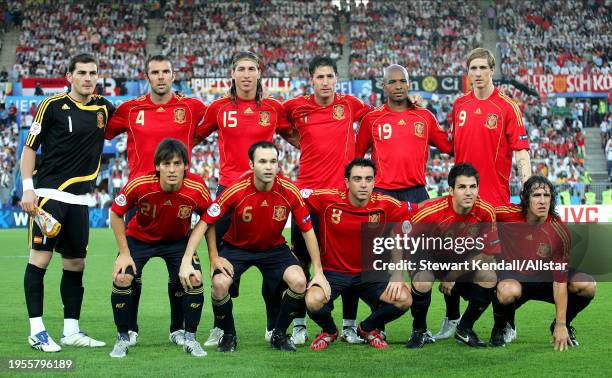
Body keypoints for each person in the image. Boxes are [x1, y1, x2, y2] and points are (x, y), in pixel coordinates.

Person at [195, 51, 297, 346]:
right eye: (241, 69)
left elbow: (297, 137)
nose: (247, 74)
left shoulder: (273, 109)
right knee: (224, 269)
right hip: (229, 191)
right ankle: (220, 327)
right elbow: (193, 137)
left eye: (252, 68)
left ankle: (272, 324)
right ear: (233, 74)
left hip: (267, 191)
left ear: (259, 74)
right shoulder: (218, 108)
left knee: (271, 261)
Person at [105, 54, 207, 346]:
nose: (161, 76)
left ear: (174, 75)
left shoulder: (191, 106)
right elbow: (104, 131)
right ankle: (129, 330)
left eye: (166, 71)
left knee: (181, 274)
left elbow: (215, 125)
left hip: (178, 196)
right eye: (155, 72)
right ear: (146, 76)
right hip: (139, 197)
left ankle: (178, 329)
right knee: (129, 273)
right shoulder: (130, 108)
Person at [20, 53, 115, 352]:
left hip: (80, 200)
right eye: (82, 73)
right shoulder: (52, 106)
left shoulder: (104, 107)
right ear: (69, 76)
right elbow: (29, 149)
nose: (88, 78)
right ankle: (36, 331)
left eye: (93, 73)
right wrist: (28, 188)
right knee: (40, 259)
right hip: (49, 194)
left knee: (76, 264)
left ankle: (71, 330)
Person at [197, 141, 329, 352]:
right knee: (220, 284)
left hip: (274, 248)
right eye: (263, 161)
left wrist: (319, 271)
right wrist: (210, 257)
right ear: (252, 164)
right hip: (237, 248)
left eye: (273, 161)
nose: (269, 166)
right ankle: (229, 335)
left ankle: (278, 334)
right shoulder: (236, 189)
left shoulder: (289, 190)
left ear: (279, 164)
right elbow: (206, 221)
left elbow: (308, 231)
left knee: (299, 281)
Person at [437, 47, 531, 341]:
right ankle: (452, 319)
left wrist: (527, 189)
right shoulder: (459, 104)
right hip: (462, 203)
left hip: (495, 203)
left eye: (482, 68)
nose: (477, 74)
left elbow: (521, 151)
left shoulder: (506, 106)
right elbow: (453, 146)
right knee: (451, 260)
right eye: (472, 69)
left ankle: (507, 324)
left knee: (498, 268)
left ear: (492, 70)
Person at [284, 56, 371, 344]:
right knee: (301, 261)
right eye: (320, 77)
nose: (325, 82)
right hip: (306, 198)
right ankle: (299, 324)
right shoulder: (296, 107)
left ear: (337, 78)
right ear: (311, 79)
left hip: (340, 201)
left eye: (330, 76)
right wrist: (298, 141)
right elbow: (278, 124)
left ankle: (347, 325)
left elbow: (378, 116)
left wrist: (413, 103)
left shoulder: (349, 104)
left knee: (349, 263)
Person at [108, 138, 211, 358]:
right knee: (122, 278)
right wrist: (124, 253)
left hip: (177, 241)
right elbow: (116, 212)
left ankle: (187, 336)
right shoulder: (140, 184)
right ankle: (123, 336)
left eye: (176, 163)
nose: (172, 170)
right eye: (166, 164)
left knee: (193, 279)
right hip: (139, 239)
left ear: (185, 165)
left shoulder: (197, 187)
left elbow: (209, 217)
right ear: (157, 167)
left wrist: (212, 256)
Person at [303, 158, 414, 350]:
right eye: (357, 179)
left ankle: (367, 328)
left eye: (368, 179)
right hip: (333, 273)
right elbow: (292, 195)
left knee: (404, 299)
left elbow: (421, 212)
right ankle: (329, 331)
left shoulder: (386, 205)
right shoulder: (327, 199)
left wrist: (397, 274)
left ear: (374, 181)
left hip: (370, 275)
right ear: (347, 182)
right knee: (312, 301)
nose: (363, 184)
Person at [492, 176, 596, 349]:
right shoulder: (506, 214)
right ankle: (501, 327)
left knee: (587, 285)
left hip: (546, 278)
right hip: (514, 277)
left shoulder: (558, 230)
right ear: (525, 198)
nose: (542, 201)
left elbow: (560, 280)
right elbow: (480, 213)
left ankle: (561, 326)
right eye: (536, 195)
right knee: (507, 291)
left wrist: (561, 324)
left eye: (546, 195)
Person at [405, 163, 500, 348]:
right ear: (450, 190)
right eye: (462, 187)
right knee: (423, 278)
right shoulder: (430, 212)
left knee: (489, 275)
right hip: (430, 259)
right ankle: (419, 330)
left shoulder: (486, 211)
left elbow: (488, 254)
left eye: (473, 187)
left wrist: (453, 275)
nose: (468, 192)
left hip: (460, 264)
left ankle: (464, 329)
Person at [356, 64, 452, 203]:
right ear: (384, 86)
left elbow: (448, 147)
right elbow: (356, 154)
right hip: (382, 192)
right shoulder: (372, 119)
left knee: (425, 225)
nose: (398, 86)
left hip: (416, 192)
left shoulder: (425, 116)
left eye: (402, 81)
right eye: (392, 82)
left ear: (409, 84)